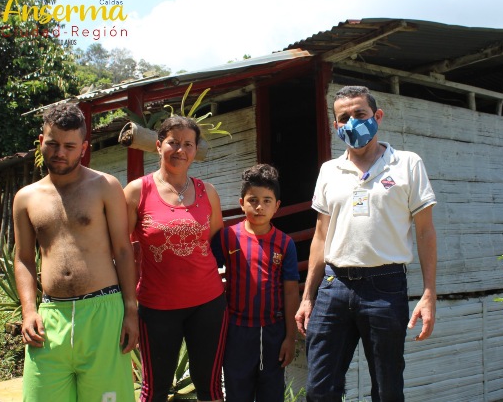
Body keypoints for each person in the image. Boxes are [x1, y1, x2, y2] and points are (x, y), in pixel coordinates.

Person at [295, 86, 437, 402]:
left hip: (385, 287)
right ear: (335, 125)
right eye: (344, 117)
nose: (352, 122)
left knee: (387, 391)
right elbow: (321, 236)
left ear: (377, 116)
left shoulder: (407, 164)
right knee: (319, 390)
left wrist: (429, 293)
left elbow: (426, 232)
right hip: (334, 286)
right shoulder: (329, 171)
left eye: (360, 114)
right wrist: (307, 297)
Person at [13, 103, 137, 402]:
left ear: (83, 148)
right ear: (41, 142)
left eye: (70, 146)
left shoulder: (105, 186)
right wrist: (29, 311)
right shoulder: (26, 198)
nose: (60, 152)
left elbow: (123, 250)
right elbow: (24, 259)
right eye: (53, 144)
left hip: (103, 313)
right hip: (50, 318)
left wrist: (131, 311)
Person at [124, 115, 227, 402]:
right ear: (158, 146)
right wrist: (128, 304)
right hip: (157, 306)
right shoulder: (137, 191)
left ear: (195, 150)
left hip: (208, 303)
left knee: (210, 387)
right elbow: (121, 249)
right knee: (154, 389)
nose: (180, 150)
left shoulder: (208, 192)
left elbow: (216, 242)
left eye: (188, 144)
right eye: (173, 142)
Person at [212, 164, 300, 402]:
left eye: (267, 201)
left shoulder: (285, 243)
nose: (259, 206)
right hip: (236, 331)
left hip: (273, 332)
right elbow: (208, 273)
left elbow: (291, 292)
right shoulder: (227, 237)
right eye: (253, 200)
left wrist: (290, 338)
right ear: (242, 203)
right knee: (237, 393)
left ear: (277, 206)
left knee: (271, 395)